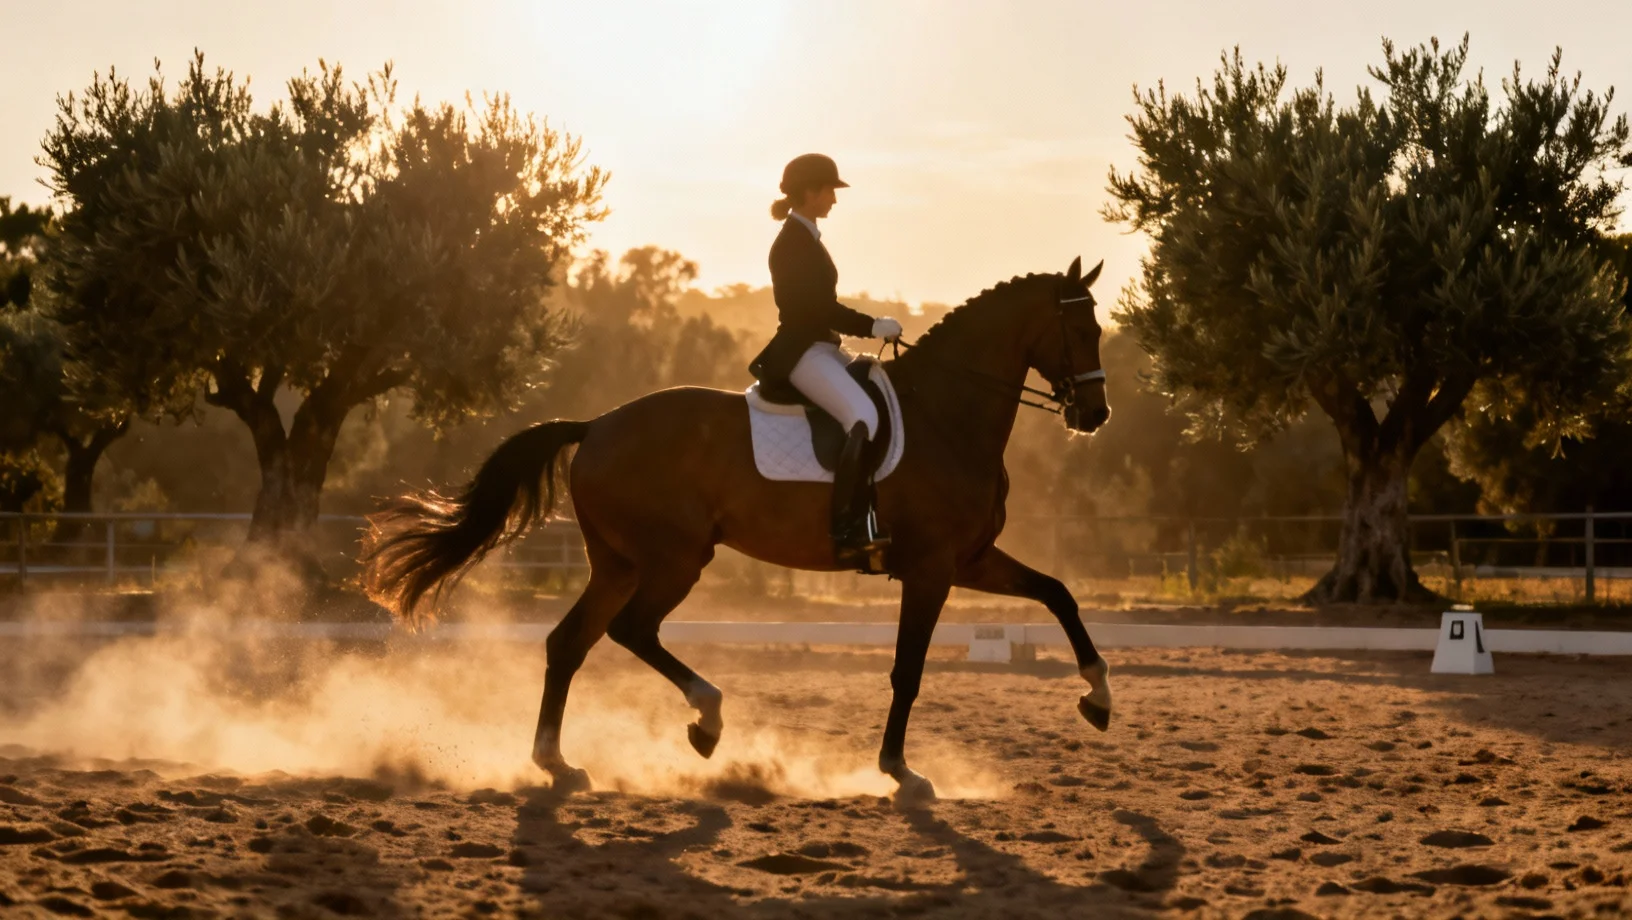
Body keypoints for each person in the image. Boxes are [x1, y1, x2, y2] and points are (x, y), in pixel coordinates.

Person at [749, 153, 902, 572]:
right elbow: (817, 309)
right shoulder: (792, 243)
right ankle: (848, 529)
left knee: (876, 398)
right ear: (811, 192)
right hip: (802, 351)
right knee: (862, 417)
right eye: (830, 190)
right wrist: (872, 325)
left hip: (821, 347)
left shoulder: (809, 236)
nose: (834, 198)